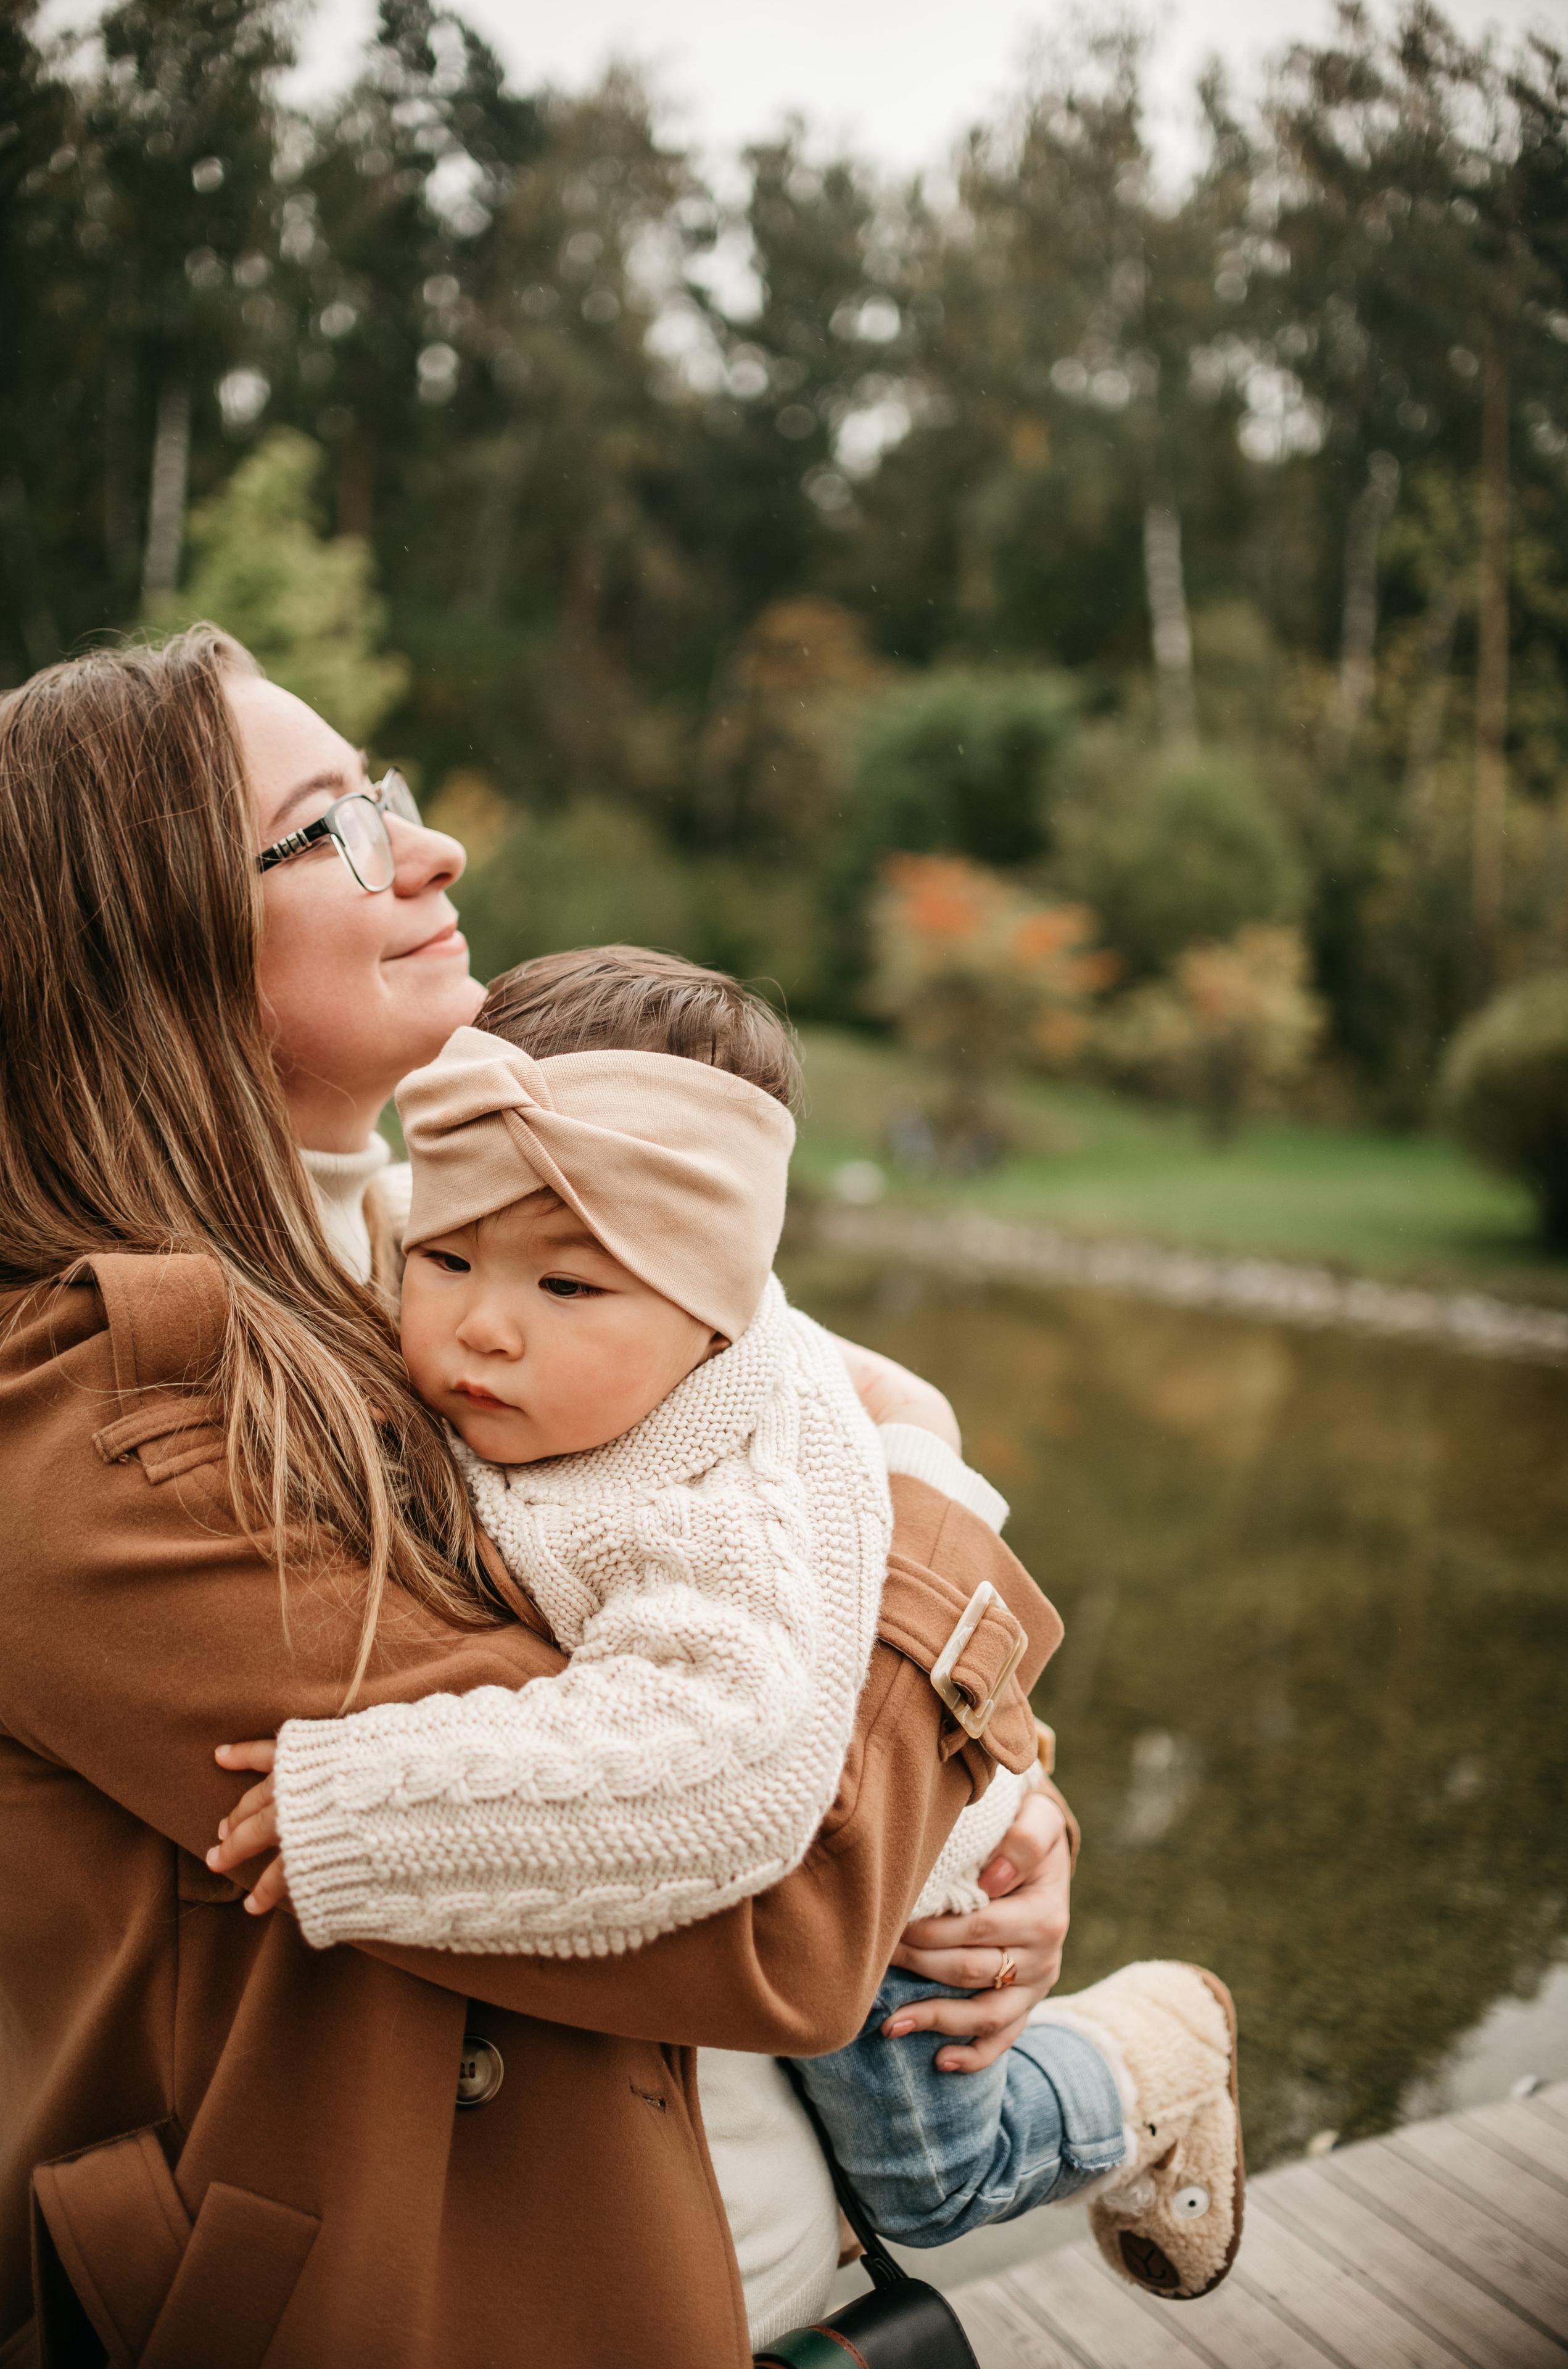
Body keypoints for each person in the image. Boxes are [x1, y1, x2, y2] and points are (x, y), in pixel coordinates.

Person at [0, 627, 1076, 2368]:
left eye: (386, 793)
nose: (430, 849)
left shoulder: (439, 1249)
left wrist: (1003, 1839)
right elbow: (781, 1908)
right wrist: (936, 1496)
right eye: (327, 828)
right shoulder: (90, 1419)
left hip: (764, 2277)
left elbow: (768, 1588)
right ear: (146, 942)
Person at [210, 945, 1245, 2315]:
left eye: (567, 1289)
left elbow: (724, 1763)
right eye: (443, 1260)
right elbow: (388, 1204)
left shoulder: (719, 1492)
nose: (483, 1327)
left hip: (903, 1888)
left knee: (924, 2183)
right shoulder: (545, 1297)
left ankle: (1155, 2055)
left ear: (709, 1315)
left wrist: (358, 1810)